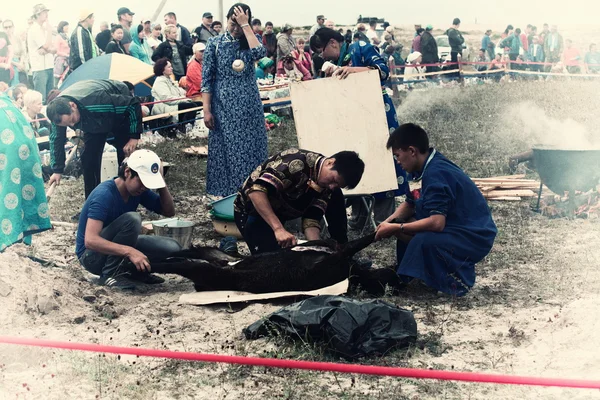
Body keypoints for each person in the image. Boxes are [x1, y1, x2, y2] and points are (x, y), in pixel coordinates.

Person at [375, 123, 497, 297]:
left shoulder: (436, 173)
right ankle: (411, 275)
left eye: (398, 155)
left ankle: (453, 282)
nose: (397, 161)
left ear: (412, 151)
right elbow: (410, 203)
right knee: (403, 226)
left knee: (422, 240)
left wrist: (396, 228)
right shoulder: (420, 169)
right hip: (455, 226)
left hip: (474, 234)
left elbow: (437, 223)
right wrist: (389, 222)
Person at [310, 27, 409, 226]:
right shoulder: (334, 63)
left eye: (322, 50)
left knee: (381, 160)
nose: (322, 55)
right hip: (351, 120)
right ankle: (359, 216)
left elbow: (383, 72)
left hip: (377, 114)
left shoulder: (360, 48)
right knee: (354, 161)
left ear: (333, 43)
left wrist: (353, 70)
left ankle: (384, 218)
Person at [77, 149, 181, 290]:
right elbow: (90, 241)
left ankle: (131, 272)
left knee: (173, 248)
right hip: (92, 257)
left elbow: (168, 211)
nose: (144, 187)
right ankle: (111, 274)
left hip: (115, 247)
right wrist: (129, 251)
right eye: (142, 181)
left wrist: (161, 182)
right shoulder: (104, 195)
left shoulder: (137, 190)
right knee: (132, 219)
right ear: (127, 172)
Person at [234, 149, 364, 254]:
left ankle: (342, 248)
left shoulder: (327, 185)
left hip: (280, 212)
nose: (332, 186)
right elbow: (256, 192)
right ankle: (230, 249)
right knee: (269, 262)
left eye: (337, 184)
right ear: (330, 162)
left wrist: (317, 248)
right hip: (252, 210)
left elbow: (311, 219)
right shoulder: (295, 163)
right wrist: (278, 229)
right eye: (334, 180)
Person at [202, 3, 268, 197]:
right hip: (223, 104)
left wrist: (246, 26)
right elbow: (207, 79)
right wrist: (207, 110)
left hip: (249, 103)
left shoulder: (251, 40)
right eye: (233, 23)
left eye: (240, 24)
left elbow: (260, 55)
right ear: (227, 20)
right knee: (227, 148)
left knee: (252, 146)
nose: (236, 28)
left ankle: (254, 191)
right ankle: (229, 194)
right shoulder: (214, 43)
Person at [46, 79, 143, 198]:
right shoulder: (58, 115)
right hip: (90, 119)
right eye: (67, 125)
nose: (71, 125)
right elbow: (56, 140)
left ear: (73, 106)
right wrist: (57, 170)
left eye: (72, 121)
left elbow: (133, 105)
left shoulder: (96, 101)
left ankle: (127, 195)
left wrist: (134, 137)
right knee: (88, 158)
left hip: (116, 110)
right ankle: (93, 201)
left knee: (124, 153)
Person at [0, 92, 52, 252]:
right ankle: (19, 236)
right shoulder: (6, 100)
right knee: (18, 192)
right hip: (24, 150)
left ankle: (7, 239)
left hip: (8, 150)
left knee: (8, 191)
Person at [150, 58, 199, 132]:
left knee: (199, 104)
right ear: (162, 69)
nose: (172, 68)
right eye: (169, 67)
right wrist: (184, 100)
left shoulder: (169, 79)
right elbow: (167, 99)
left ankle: (192, 127)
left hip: (173, 104)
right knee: (190, 106)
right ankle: (184, 129)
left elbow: (179, 93)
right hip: (165, 107)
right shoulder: (160, 81)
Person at [27, 4, 55, 103]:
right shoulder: (34, 29)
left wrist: (48, 49)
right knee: (41, 99)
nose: (46, 14)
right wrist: (49, 31)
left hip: (48, 65)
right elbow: (47, 45)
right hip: (39, 68)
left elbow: (53, 48)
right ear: (38, 14)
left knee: (50, 97)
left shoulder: (43, 29)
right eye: (44, 12)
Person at [53, 21, 70, 87]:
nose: (67, 27)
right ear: (62, 27)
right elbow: (56, 51)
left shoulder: (67, 37)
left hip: (67, 61)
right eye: (66, 26)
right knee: (58, 81)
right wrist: (66, 55)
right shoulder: (58, 37)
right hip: (60, 62)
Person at [0, 20, 14, 85]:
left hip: (5, 66)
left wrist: (8, 63)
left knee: (6, 88)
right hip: (2, 64)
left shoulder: (3, 34)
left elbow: (10, 50)